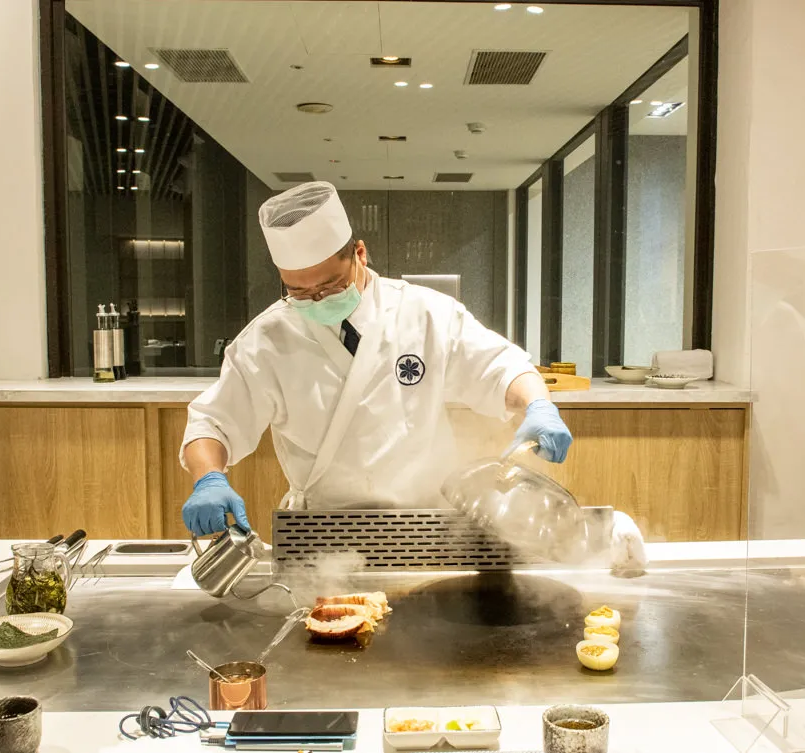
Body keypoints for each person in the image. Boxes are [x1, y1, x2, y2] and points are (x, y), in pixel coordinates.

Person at [179, 181, 572, 537]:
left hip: (429, 522)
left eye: (331, 286)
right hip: (324, 528)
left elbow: (501, 368)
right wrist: (208, 478)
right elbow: (213, 423)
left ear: (360, 254)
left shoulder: (425, 313)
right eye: (299, 293)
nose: (317, 300)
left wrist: (538, 406)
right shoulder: (267, 340)